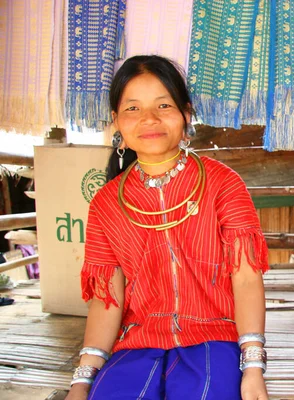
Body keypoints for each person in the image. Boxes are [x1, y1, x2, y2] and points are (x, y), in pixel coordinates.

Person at [66, 55, 269, 400]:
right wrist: (82, 381)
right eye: (132, 109)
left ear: (186, 115)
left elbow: (247, 277)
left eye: (164, 105)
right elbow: (106, 300)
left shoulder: (222, 183)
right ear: (116, 121)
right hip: (137, 341)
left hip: (213, 337)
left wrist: (252, 368)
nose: (149, 119)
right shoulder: (106, 202)